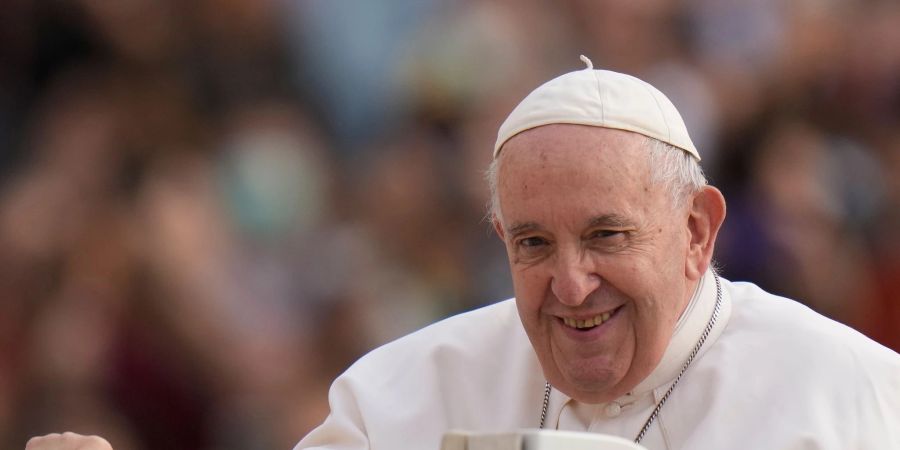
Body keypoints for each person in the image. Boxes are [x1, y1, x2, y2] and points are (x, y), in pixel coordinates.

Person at [26, 57, 900, 450]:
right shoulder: (399, 397)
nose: (569, 283)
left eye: (606, 235)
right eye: (532, 243)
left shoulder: (852, 398)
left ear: (698, 232)